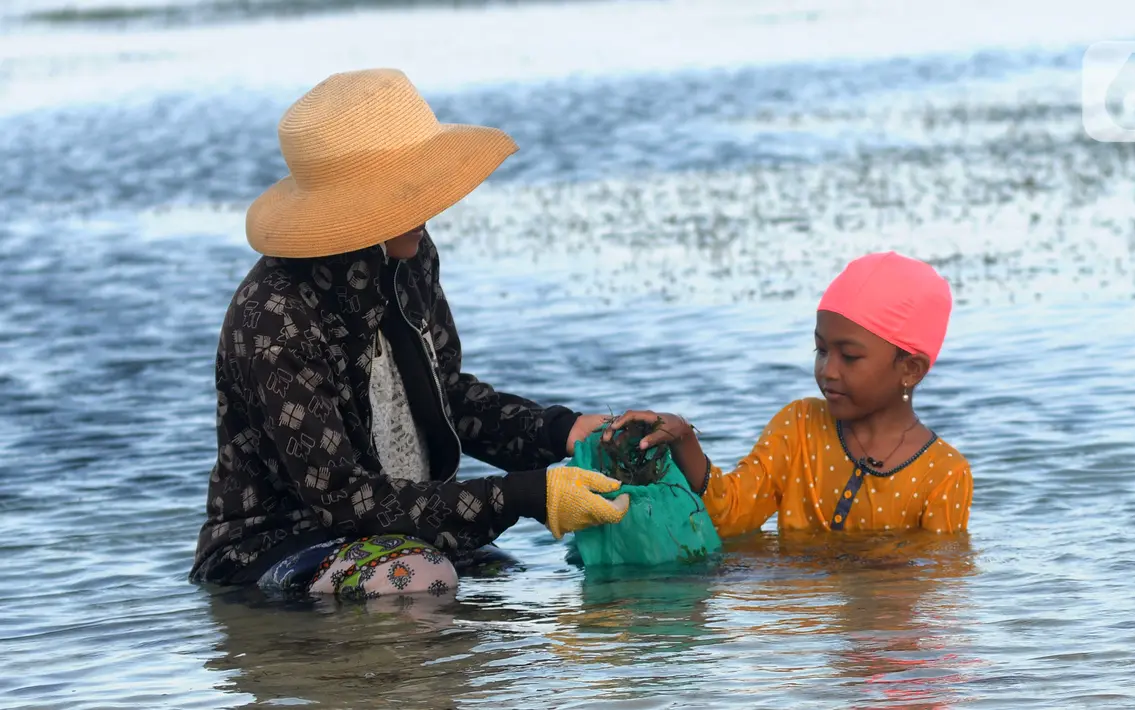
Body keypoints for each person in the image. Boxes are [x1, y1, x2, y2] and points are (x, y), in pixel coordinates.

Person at [190, 68, 629, 600]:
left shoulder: (409, 256)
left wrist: (566, 431)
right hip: (270, 549)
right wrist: (526, 495)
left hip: (396, 534)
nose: (427, 206)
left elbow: (450, 400)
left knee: (506, 578)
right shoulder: (273, 313)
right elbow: (342, 498)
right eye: (403, 191)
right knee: (424, 578)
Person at [605, 251, 972, 538]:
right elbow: (730, 513)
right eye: (821, 350)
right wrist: (684, 438)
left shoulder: (943, 474)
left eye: (850, 356)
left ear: (910, 369)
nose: (828, 369)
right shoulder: (800, 427)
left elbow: (929, 581)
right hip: (796, 630)